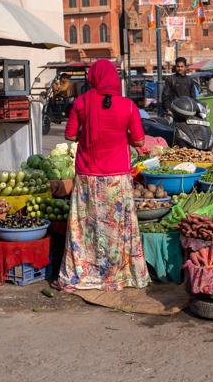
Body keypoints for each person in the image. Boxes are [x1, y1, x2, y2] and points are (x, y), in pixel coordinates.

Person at [59, 59, 150, 291]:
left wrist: (88, 131)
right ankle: (120, 274)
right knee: (117, 227)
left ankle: (86, 272)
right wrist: (123, 137)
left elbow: (69, 136)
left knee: (86, 227)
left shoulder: (81, 102)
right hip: (116, 179)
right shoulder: (128, 106)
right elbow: (139, 140)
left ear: (93, 78)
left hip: (87, 177)